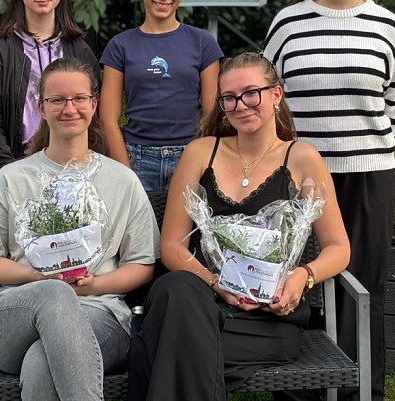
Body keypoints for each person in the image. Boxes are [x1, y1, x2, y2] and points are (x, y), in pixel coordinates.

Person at [127, 52, 350, 401]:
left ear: (276, 95)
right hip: (202, 300)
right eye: (229, 98)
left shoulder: (303, 157)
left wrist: (301, 277)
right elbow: (172, 246)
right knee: (176, 288)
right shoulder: (201, 152)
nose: (240, 105)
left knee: (161, 343)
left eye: (250, 93)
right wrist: (216, 284)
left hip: (267, 317)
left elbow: (338, 248)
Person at [263, 0, 395, 401]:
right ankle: (301, 387)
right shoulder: (288, 23)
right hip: (299, 179)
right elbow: (271, 97)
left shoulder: (385, 25)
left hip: (368, 174)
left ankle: (361, 389)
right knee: (296, 276)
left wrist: (363, 142)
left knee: (363, 284)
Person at [0, 57, 159, 401]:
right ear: (41, 107)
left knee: (42, 362)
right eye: (57, 100)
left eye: (79, 99)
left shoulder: (122, 181)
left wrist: (94, 285)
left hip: (100, 314)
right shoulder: (12, 178)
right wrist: (42, 279)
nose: (69, 108)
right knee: (56, 294)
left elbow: (142, 265)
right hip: (15, 316)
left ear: (94, 104)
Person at [100, 0, 223, 194]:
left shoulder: (203, 43)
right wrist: (125, 170)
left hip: (189, 154)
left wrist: (201, 159)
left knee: (184, 232)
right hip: (136, 156)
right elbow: (108, 118)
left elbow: (212, 113)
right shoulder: (120, 45)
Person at [0, 0, 100, 184]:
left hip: (73, 170)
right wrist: (10, 171)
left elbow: (94, 114)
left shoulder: (79, 50)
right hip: (16, 168)